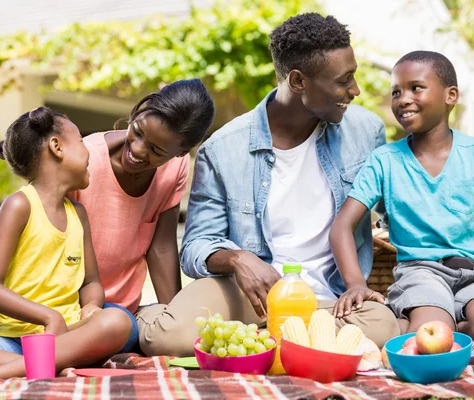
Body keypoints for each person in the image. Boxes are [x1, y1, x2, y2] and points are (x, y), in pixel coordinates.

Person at [135, 13, 400, 357]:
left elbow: (393, 211)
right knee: (166, 339)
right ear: (298, 81)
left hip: (329, 301)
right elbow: (196, 245)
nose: (355, 90)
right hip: (248, 297)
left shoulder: (366, 131)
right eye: (343, 80)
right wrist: (237, 259)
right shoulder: (223, 149)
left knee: (383, 325)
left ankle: (256, 344)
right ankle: (155, 315)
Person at [0, 79, 216, 353]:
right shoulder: (82, 164)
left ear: (180, 153)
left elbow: (162, 247)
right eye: (137, 131)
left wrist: (174, 321)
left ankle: (12, 358)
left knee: (124, 327)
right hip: (32, 294)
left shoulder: (175, 169)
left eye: (157, 151)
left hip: (95, 308)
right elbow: (15, 260)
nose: (137, 149)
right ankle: (7, 357)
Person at [329, 50, 474, 341]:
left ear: (450, 95)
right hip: (419, 273)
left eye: (416, 88)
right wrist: (355, 284)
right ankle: (429, 327)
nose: (403, 99)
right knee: (432, 327)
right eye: (396, 92)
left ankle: (434, 331)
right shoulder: (384, 160)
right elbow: (342, 226)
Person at [0, 107, 132, 380]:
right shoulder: (19, 205)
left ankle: (2, 369)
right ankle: (34, 365)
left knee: (118, 322)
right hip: (10, 338)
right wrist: (47, 316)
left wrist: (91, 306)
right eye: (81, 141)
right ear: (57, 147)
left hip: (64, 337)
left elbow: (91, 282)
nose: (88, 151)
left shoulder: (78, 214)